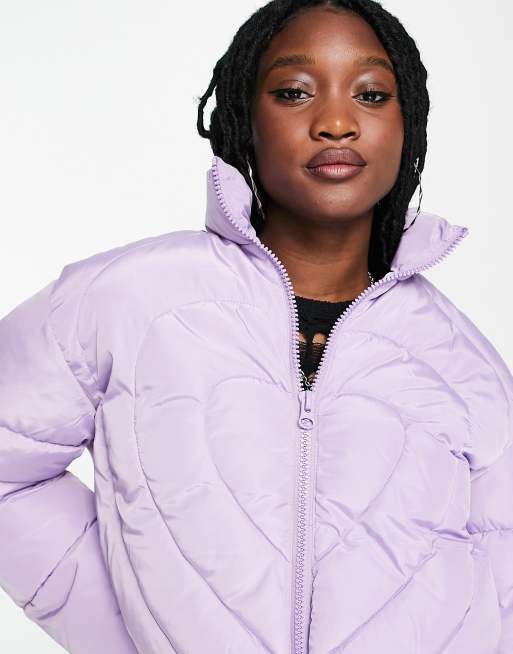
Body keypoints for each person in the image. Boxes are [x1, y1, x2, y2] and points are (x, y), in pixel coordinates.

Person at [1, 1, 512, 652]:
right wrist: (131, 626)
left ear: (405, 123)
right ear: (245, 120)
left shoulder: (460, 360)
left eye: (371, 94)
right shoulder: (132, 299)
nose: (336, 122)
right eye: (294, 92)